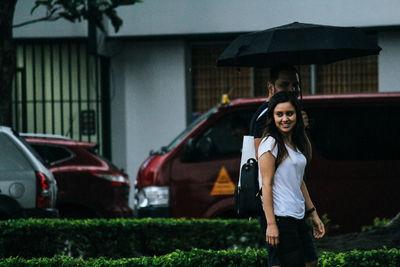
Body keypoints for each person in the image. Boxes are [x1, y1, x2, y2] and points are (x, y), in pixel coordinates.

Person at [258, 91, 325, 267]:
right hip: (280, 217)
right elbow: (266, 185)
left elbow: (299, 182)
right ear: (272, 117)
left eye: (289, 113)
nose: (285, 118)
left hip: (297, 215)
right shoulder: (270, 143)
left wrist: (313, 214)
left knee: (311, 261)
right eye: (279, 114)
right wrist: (271, 224)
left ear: (297, 114)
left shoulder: (295, 142)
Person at [249, 65, 309, 158]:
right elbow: (260, 157)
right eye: (284, 85)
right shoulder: (266, 115)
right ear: (270, 87)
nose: (291, 90)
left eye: (295, 85)